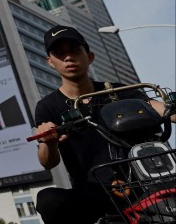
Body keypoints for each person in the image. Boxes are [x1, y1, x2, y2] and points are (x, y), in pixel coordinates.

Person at [32, 25, 172, 224]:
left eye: (74, 50)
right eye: (59, 53)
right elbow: (48, 162)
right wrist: (49, 142)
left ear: (90, 56)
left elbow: (160, 108)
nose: (68, 58)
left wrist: (171, 108)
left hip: (143, 186)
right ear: (50, 62)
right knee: (49, 200)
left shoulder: (120, 92)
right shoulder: (47, 107)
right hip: (92, 194)